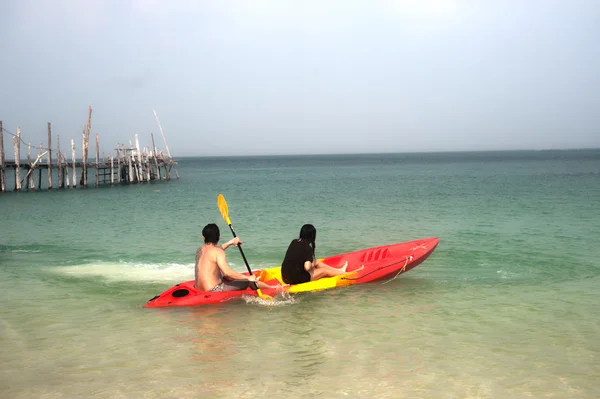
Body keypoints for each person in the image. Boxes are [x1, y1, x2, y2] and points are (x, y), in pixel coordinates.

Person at [195, 223, 276, 292]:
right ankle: (271, 288)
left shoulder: (200, 250)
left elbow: (214, 250)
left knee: (226, 278)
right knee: (248, 282)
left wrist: (231, 242)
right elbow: (227, 273)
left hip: (199, 289)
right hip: (213, 290)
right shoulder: (219, 252)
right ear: (219, 237)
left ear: (203, 237)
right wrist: (248, 278)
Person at [281, 224, 361, 285]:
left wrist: (314, 262)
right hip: (294, 279)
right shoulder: (307, 247)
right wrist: (312, 264)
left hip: (285, 276)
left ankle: (339, 270)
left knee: (316, 261)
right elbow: (307, 267)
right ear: (312, 236)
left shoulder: (294, 241)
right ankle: (345, 274)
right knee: (324, 271)